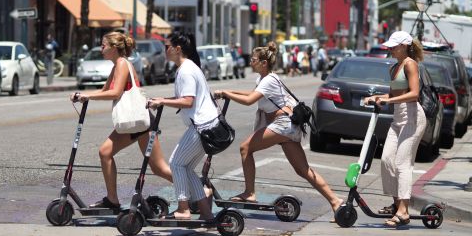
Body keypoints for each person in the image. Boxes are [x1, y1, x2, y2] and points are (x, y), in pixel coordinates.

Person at [214, 42, 343, 218]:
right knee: (302, 170)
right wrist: (228, 90)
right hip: (286, 126)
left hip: (282, 124)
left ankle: (249, 193)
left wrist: (227, 94)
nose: (250, 62)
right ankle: (335, 201)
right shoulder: (265, 79)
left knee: (245, 148)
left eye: (253, 60)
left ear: (263, 62)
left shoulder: (268, 80)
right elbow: (251, 93)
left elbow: (249, 100)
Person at [70, 32, 172, 210]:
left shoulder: (122, 64)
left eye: (104, 45)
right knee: (105, 152)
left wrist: (88, 96)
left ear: (114, 48)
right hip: (133, 123)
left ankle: (199, 190)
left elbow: (115, 92)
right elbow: (103, 91)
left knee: (159, 168)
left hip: (140, 122)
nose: (101, 49)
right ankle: (112, 200)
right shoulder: (117, 65)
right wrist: (82, 95)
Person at [147, 32, 216, 221]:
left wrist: (162, 101)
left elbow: (187, 101)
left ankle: (183, 209)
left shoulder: (186, 70)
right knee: (185, 168)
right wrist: (161, 101)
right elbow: (183, 99)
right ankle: (207, 214)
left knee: (176, 163)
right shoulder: (186, 68)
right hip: (207, 126)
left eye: (167, 46)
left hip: (202, 127)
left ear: (178, 49)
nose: (165, 50)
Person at [364, 31, 426, 227]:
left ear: (405, 46)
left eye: (393, 46)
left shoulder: (410, 64)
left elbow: (414, 94)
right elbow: (393, 93)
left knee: (402, 163)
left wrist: (388, 99)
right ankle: (397, 204)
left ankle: (404, 211)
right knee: (386, 159)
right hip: (398, 118)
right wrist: (378, 98)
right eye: (389, 46)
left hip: (413, 117)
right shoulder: (394, 68)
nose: (390, 49)